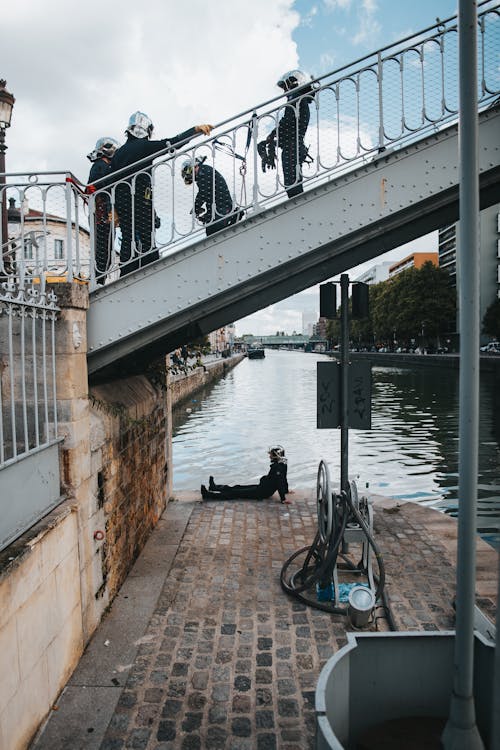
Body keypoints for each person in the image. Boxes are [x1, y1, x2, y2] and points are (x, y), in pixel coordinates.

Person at [110, 112, 213, 275]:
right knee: (146, 237)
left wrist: (113, 208)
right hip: (141, 200)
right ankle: (152, 269)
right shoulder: (143, 146)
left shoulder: (119, 153)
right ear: (145, 129)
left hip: (123, 202)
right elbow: (173, 143)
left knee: (128, 236)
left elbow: (110, 183)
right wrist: (194, 131)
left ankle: (126, 272)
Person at [259, 70, 314, 198]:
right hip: (294, 146)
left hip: (292, 148)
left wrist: (273, 134)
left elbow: (287, 121)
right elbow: (288, 124)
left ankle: (300, 207)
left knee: (292, 184)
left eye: (286, 87)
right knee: (293, 182)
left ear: (294, 83)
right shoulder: (301, 100)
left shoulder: (296, 98)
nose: (285, 92)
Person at [200, 446, 291, 504]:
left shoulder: (277, 467)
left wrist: (283, 499)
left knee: (235, 493)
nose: (269, 456)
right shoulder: (283, 464)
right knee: (237, 487)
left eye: (271, 455)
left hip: (262, 492)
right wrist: (286, 490)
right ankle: (215, 487)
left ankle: (208, 495)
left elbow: (280, 482)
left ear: (276, 456)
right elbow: (284, 478)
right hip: (262, 487)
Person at [181, 156, 244, 236]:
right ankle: (235, 216)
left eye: (187, 171)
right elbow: (208, 194)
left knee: (215, 232)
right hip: (219, 207)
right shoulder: (205, 171)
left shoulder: (203, 171)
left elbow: (203, 193)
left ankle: (236, 216)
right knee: (213, 231)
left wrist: (196, 208)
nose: (188, 175)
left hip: (222, 208)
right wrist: (206, 215)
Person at [86, 137, 120, 284]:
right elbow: (97, 186)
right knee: (103, 247)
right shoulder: (99, 165)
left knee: (106, 247)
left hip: (105, 213)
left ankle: (100, 278)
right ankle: (99, 279)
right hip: (102, 214)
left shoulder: (102, 165)